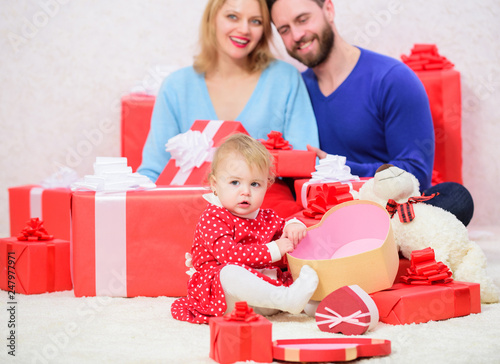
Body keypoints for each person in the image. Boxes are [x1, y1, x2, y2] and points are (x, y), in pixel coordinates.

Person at [266, 0, 474, 226]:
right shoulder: (296, 90)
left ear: (328, 9)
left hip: (390, 208)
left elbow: (416, 173)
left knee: (456, 198)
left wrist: (337, 167)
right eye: (284, 30)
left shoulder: (393, 79)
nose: (296, 35)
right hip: (326, 213)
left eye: (303, 19)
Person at [137, 0, 319, 217]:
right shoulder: (176, 86)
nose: (244, 29)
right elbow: (153, 169)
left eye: (255, 21)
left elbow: (306, 164)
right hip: (192, 220)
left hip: (268, 223)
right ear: (212, 19)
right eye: (232, 16)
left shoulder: (285, 79)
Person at [171, 134, 319, 324]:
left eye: (255, 184)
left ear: (267, 185)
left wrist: (293, 226)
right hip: (224, 297)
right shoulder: (213, 217)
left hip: (262, 295)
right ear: (215, 185)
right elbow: (229, 255)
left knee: (299, 267)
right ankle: (287, 299)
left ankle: (311, 303)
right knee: (229, 273)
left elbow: (284, 229)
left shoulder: (265, 216)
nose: (245, 191)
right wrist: (273, 250)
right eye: (235, 182)